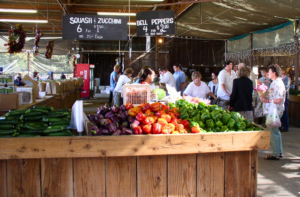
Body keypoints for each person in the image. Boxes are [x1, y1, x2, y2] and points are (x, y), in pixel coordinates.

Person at [260, 64, 286, 160]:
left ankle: (275, 154)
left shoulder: (278, 83)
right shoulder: (275, 82)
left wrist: (267, 101)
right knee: (276, 131)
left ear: (274, 73)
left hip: (273, 111)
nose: (268, 73)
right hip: (273, 110)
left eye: (269, 71)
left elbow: (279, 99)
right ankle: (279, 152)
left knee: (272, 132)